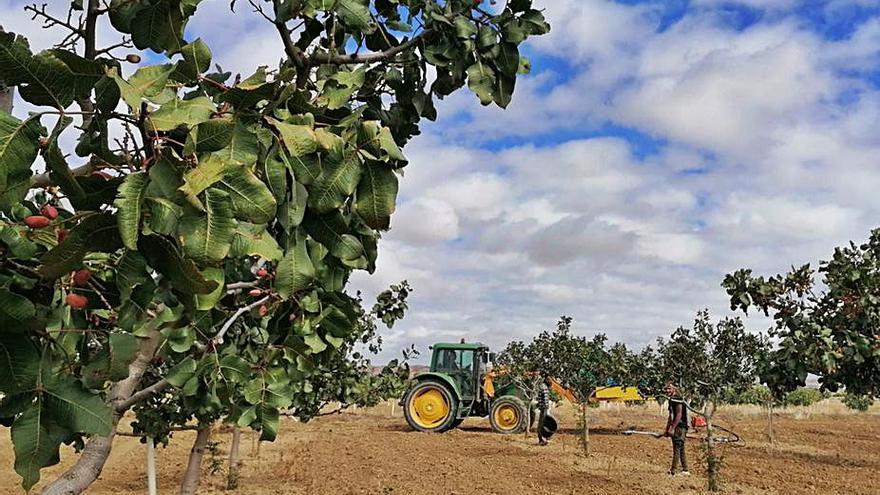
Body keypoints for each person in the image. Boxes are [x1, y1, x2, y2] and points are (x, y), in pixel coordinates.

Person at [663, 383, 690, 476]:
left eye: (669, 388)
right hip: (676, 426)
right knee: (681, 447)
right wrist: (667, 429)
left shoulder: (677, 399)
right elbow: (670, 416)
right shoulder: (671, 400)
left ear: (674, 388)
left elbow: (679, 414)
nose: (667, 391)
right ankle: (685, 470)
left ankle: (673, 471)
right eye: (666, 389)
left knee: (677, 447)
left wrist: (672, 428)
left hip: (681, 426)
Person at [536, 375, 552, 445]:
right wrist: (547, 407)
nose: (550, 381)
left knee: (542, 423)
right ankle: (541, 439)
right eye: (549, 380)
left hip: (542, 407)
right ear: (546, 380)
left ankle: (543, 438)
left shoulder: (542, 386)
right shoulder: (544, 387)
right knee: (542, 423)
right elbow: (545, 400)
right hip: (544, 408)